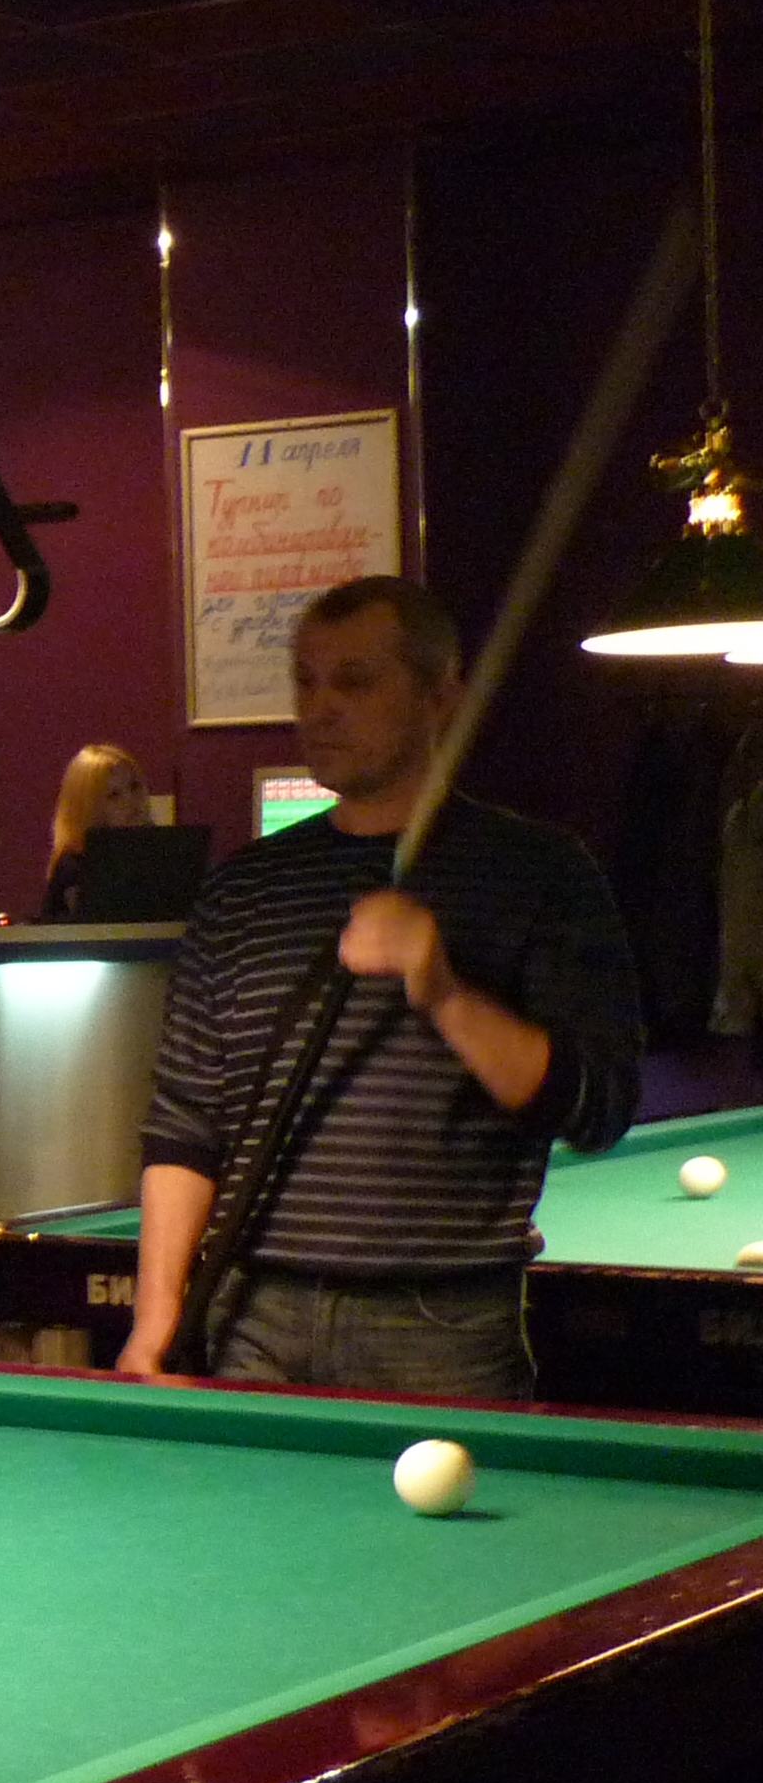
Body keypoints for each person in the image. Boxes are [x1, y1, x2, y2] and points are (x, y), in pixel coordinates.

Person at [115, 577, 639, 1397]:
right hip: (252, 1315)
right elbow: (185, 1127)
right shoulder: (242, 891)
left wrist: (446, 995)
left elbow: (597, 1108)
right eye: (307, 681)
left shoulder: (541, 875)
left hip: (439, 1327)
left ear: (440, 697)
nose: (320, 708)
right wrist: (155, 1320)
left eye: (355, 682)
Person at [35, 743, 151, 922]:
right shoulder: (75, 866)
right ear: (87, 807)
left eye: (134, 787)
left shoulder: (160, 853)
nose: (130, 800)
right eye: (113, 795)